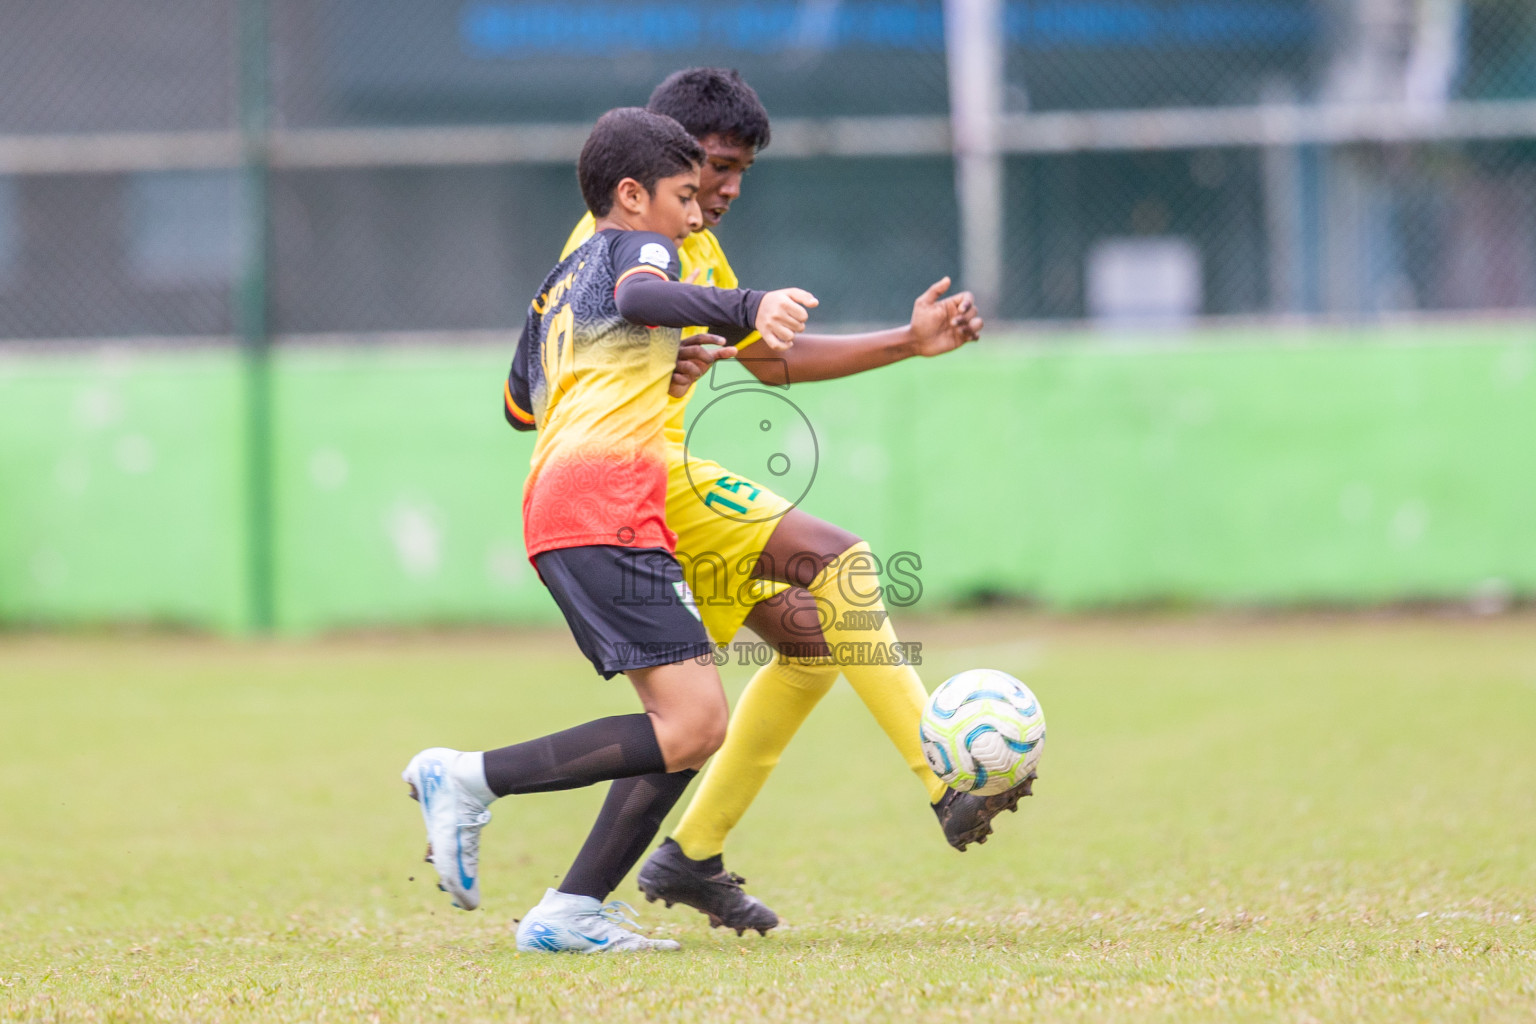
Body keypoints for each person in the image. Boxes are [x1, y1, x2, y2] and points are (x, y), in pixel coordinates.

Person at [559, 68, 1033, 938]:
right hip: (639, 475)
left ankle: (677, 860)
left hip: (641, 478)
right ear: (664, 158)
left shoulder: (684, 235)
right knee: (840, 561)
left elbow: (765, 359)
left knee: (788, 657)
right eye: (720, 165)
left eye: (743, 172)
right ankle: (946, 779)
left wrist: (908, 341)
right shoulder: (629, 237)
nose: (731, 187)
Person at [401, 106, 817, 954]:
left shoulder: (557, 282)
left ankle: (573, 908)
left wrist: (663, 367)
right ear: (631, 195)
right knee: (696, 724)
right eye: (685, 196)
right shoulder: (636, 248)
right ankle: (472, 778)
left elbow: (523, 405)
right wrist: (747, 305)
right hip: (605, 504)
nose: (697, 216)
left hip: (564, 502)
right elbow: (638, 291)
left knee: (688, 718)